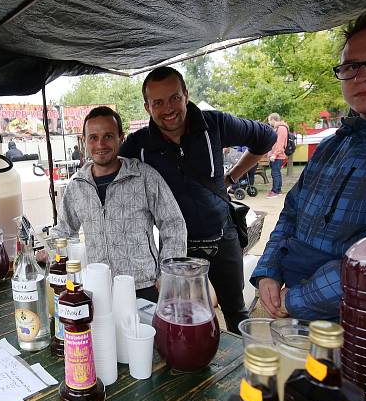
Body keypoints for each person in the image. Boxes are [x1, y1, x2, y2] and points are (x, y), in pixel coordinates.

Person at [251, 8, 366, 321]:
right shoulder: (333, 145)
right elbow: (291, 213)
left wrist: (295, 299)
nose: (362, 75)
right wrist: (268, 271)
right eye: (351, 65)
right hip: (296, 314)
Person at [119, 67, 275, 333]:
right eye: (158, 102)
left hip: (222, 239)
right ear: (147, 107)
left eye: (174, 98)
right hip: (176, 250)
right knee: (180, 320)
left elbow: (266, 138)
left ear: (186, 95)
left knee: (235, 314)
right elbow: (110, 169)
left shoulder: (214, 124)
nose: (168, 108)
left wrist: (232, 177)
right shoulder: (139, 144)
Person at [53, 106, 186, 301]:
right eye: (93, 137)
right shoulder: (76, 185)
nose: (100, 144)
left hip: (144, 287)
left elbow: (173, 224)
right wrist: (47, 252)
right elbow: (64, 231)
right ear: (84, 141)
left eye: (108, 136)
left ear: (121, 138)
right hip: (98, 288)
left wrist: (168, 273)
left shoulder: (144, 176)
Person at [266, 113, 289, 197]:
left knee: (275, 173)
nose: (269, 122)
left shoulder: (282, 128)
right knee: (276, 173)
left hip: (278, 155)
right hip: (277, 155)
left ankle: (275, 191)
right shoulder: (277, 128)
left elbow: (280, 143)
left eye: (269, 120)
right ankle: (278, 190)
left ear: (273, 119)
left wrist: (274, 155)